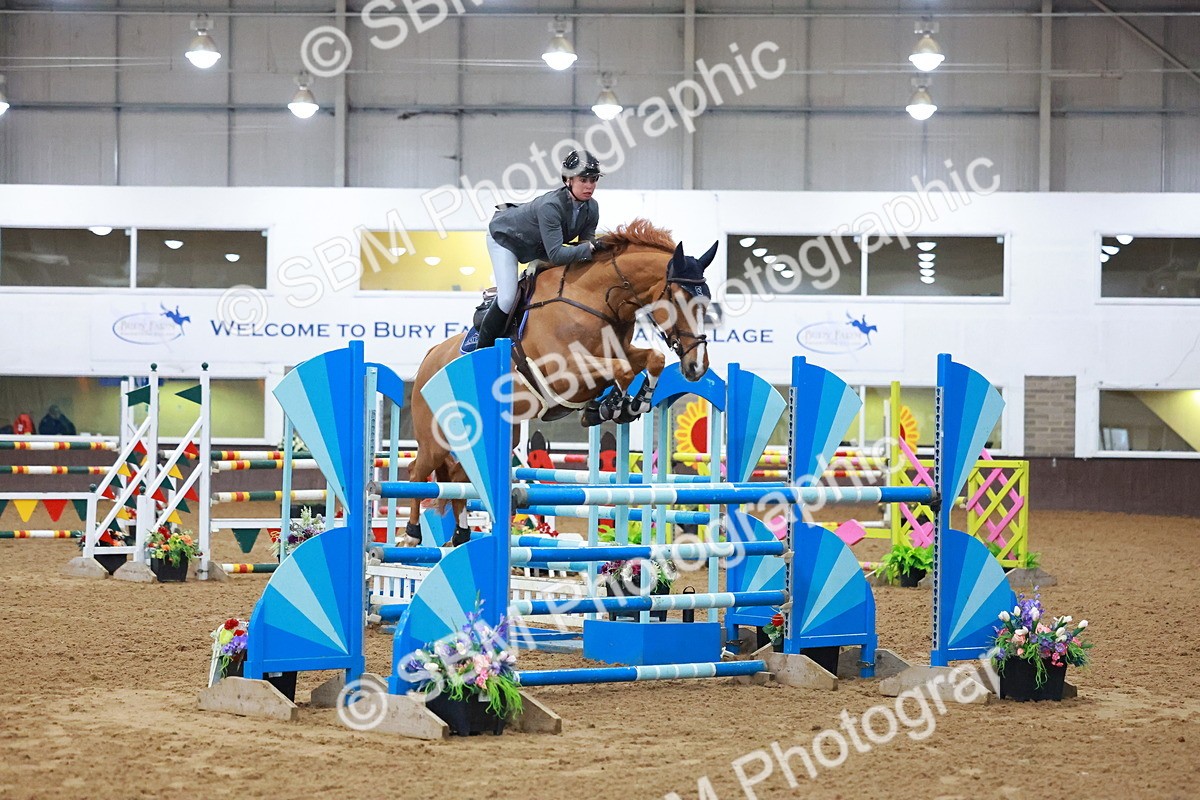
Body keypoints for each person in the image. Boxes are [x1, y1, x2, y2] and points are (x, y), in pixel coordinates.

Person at [477, 149, 609, 349]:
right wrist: (591, 247)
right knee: (507, 298)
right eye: (583, 180)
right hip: (506, 238)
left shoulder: (593, 208)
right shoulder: (551, 206)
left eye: (593, 180)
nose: (589, 186)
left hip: (538, 245)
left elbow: (584, 247)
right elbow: (557, 254)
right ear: (568, 180)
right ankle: (482, 350)